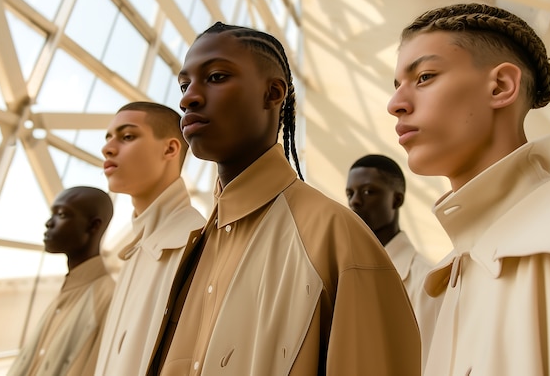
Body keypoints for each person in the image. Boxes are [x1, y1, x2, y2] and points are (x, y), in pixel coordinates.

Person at [149, 22, 421, 376]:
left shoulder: (335, 237)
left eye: (216, 77)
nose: (188, 98)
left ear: (273, 93)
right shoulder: (197, 246)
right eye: (184, 85)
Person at [388, 2, 550, 375]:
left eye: (424, 77)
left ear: (501, 86)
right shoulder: (451, 272)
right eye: (397, 85)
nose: (395, 104)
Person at [94, 102, 206, 375]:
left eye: (127, 136)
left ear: (170, 149)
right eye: (108, 137)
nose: (107, 148)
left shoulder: (198, 243)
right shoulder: (133, 254)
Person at [8, 186, 115, 376]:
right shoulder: (69, 289)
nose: (49, 223)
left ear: (93, 226)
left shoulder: (108, 297)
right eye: (52, 214)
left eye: (62, 214)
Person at [346, 154, 438, 366]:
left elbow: (431, 363)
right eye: (350, 193)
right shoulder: (342, 275)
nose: (355, 201)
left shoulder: (426, 283)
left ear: (397, 199)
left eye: (368, 191)